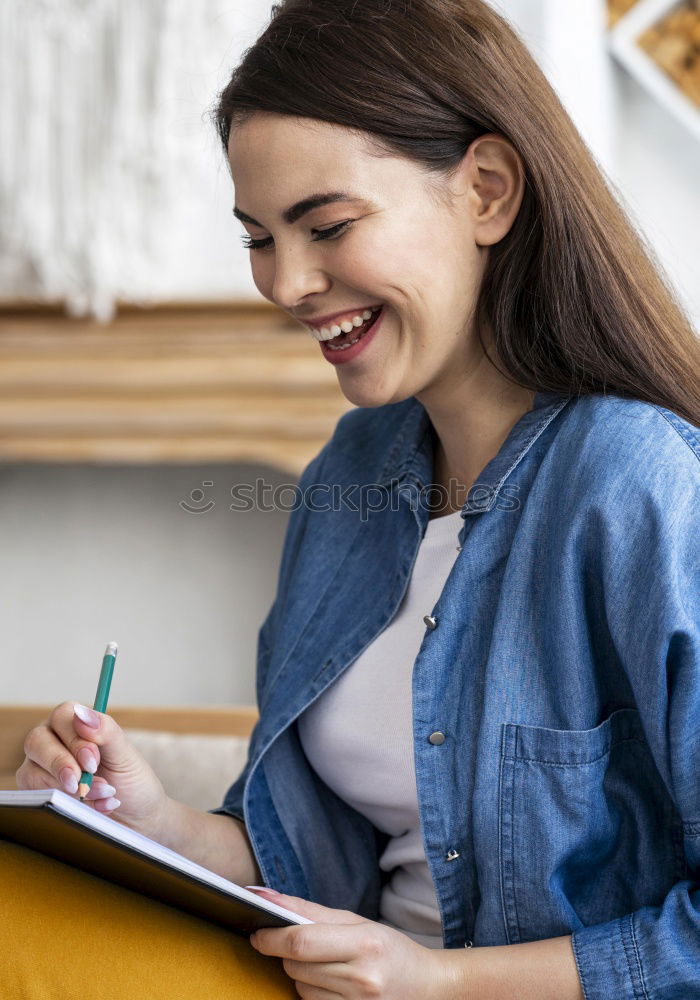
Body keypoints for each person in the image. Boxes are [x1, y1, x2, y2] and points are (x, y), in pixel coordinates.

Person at [11, 0, 700, 997]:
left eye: (325, 225)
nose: (287, 282)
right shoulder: (352, 474)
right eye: (258, 237)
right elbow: (312, 861)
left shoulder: (638, 486)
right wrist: (147, 820)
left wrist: (443, 981)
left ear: (488, 193)